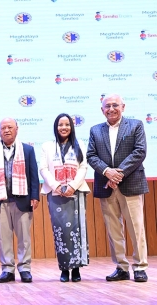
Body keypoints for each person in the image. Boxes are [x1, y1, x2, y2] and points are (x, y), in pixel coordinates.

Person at [87, 94, 149, 282]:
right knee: (114, 229)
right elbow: (91, 155)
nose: (111, 108)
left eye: (115, 105)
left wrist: (117, 174)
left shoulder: (136, 125)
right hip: (106, 185)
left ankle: (140, 267)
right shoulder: (95, 130)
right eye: (107, 106)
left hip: (130, 184)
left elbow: (140, 151)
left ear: (123, 107)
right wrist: (107, 172)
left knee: (136, 228)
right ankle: (121, 267)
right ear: (102, 110)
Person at [0, 118, 39, 283]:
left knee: (24, 238)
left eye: (10, 127)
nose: (7, 130)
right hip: (1, 200)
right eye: (3, 128)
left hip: (22, 200)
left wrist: (35, 196)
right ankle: (7, 269)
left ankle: (25, 268)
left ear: (17, 129)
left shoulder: (27, 150)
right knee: (3, 238)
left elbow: (33, 175)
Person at [39, 114, 90, 282]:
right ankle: (64, 268)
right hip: (55, 194)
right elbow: (44, 169)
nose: (64, 127)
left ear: (71, 127)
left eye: (67, 124)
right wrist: (57, 186)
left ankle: (76, 269)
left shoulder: (80, 144)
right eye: (61, 124)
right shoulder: (47, 146)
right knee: (60, 232)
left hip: (76, 192)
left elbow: (83, 167)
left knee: (77, 230)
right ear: (56, 127)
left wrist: (72, 186)